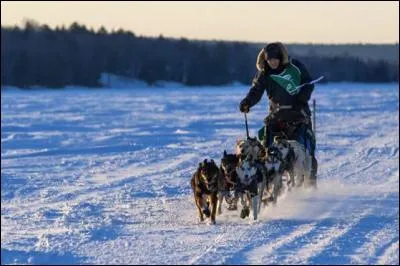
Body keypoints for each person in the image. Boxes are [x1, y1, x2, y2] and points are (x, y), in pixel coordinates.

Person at [239, 42, 318, 187]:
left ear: (281, 58)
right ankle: (267, 182)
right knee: (267, 150)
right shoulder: (264, 73)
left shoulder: (295, 67)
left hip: (299, 115)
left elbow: (308, 83)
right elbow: (256, 90)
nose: (273, 62)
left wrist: (301, 99)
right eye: (270, 60)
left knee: (305, 149)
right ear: (265, 59)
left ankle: (309, 181)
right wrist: (247, 102)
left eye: (275, 59)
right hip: (276, 116)